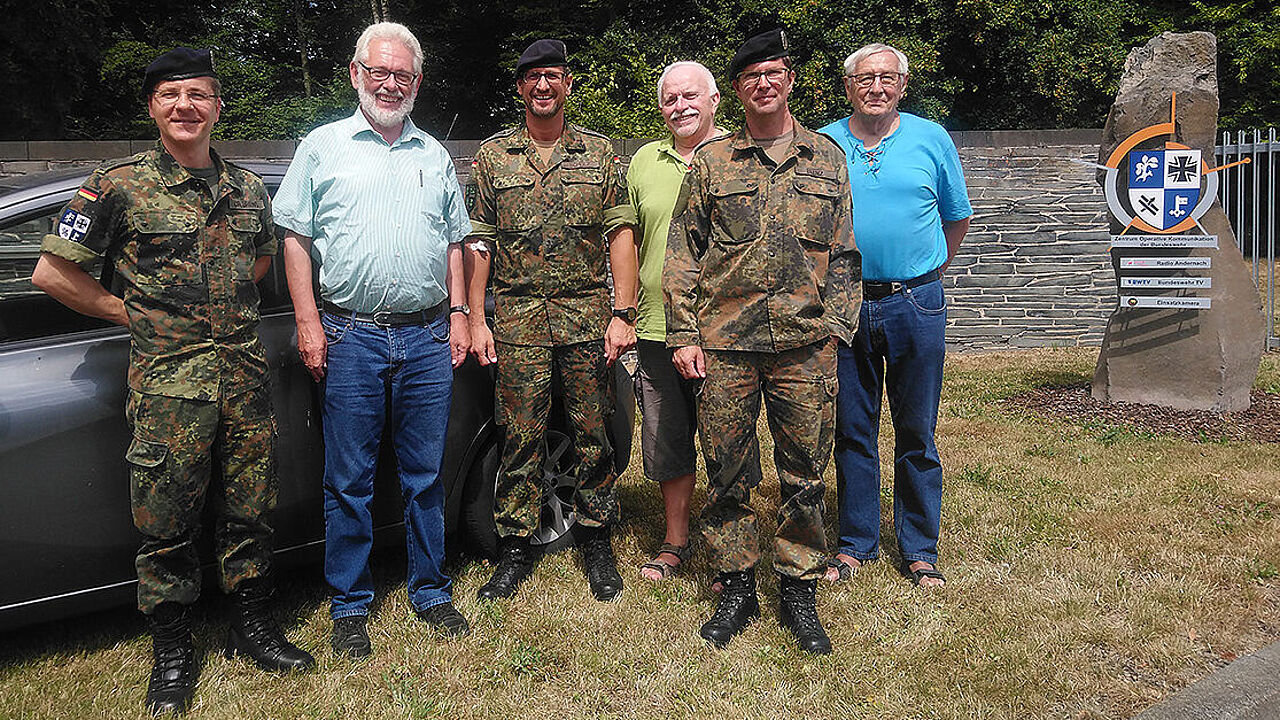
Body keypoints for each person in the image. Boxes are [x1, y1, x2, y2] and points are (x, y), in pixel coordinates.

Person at [31, 47, 314, 715]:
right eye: (170, 95)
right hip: (167, 388)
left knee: (251, 511)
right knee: (167, 525)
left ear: (218, 107)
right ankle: (173, 649)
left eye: (198, 95)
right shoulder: (117, 184)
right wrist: (128, 311)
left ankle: (254, 625)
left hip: (243, 380)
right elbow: (52, 273)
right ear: (152, 108)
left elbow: (259, 267)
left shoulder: (248, 189)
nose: (185, 106)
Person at [274, 22, 473, 658]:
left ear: (417, 83)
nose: (390, 84)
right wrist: (307, 319)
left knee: (423, 474)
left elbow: (453, 242)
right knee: (349, 478)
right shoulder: (321, 147)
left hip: (425, 337)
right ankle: (350, 604)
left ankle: (430, 590)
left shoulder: (434, 155)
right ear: (356, 74)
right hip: (348, 335)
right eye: (379, 72)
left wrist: (462, 314)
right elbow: (295, 240)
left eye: (403, 75)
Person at [664, 29, 860, 655]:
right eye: (751, 78)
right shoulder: (713, 165)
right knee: (728, 468)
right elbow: (681, 253)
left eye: (773, 73)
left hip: (805, 344)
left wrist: (837, 330)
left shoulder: (826, 158)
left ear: (789, 79)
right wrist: (683, 333)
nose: (763, 85)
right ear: (739, 90)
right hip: (725, 344)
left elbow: (845, 253)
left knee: (805, 466)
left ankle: (798, 583)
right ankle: (736, 582)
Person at [464, 39, 638, 603]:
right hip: (516, 320)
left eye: (553, 76)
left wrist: (623, 313)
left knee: (592, 434)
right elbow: (480, 243)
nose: (544, 86)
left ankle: (595, 538)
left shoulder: (600, 154)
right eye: (533, 77)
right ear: (520, 88)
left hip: (587, 317)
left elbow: (620, 236)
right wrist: (476, 316)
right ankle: (515, 545)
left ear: (568, 85)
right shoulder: (492, 159)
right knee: (519, 435)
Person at [819, 43, 972, 588]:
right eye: (866, 78)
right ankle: (856, 542)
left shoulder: (932, 138)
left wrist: (922, 270)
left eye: (887, 78)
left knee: (916, 429)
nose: (876, 87)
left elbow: (956, 218)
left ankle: (919, 548)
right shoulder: (826, 143)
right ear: (848, 87)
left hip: (916, 302)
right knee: (852, 428)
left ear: (902, 87)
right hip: (846, 302)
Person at [627, 60, 730, 582]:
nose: (680, 107)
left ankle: (727, 550)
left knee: (725, 442)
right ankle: (676, 539)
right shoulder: (644, 160)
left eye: (691, 96)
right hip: (655, 327)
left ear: (715, 100)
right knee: (667, 436)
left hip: (724, 329)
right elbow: (631, 239)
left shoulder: (741, 156)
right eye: (670, 99)